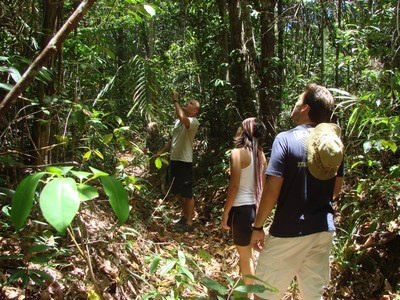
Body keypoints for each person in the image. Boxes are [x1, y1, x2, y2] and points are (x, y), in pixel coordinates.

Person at [251, 83, 345, 300]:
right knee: (312, 295)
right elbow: (336, 189)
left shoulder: (285, 139)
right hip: (323, 229)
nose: (294, 104)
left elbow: (272, 189)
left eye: (298, 100)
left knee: (264, 295)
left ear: (305, 108)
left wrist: (258, 226)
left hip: (288, 230)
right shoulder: (333, 142)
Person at [222, 118, 267, 288]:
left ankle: (251, 295)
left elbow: (234, 186)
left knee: (245, 257)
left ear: (244, 131)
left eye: (240, 126)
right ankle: (246, 289)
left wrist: (226, 214)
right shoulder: (260, 155)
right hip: (255, 210)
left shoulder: (237, 153)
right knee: (248, 255)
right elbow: (263, 187)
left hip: (240, 211)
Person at [159, 91, 200, 232]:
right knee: (176, 191)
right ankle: (185, 215)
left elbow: (183, 118)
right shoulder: (178, 121)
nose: (187, 104)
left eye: (191, 104)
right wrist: (161, 151)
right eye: (188, 102)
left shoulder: (193, 122)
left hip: (185, 161)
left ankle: (189, 222)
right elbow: (173, 140)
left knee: (187, 193)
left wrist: (175, 101)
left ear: (195, 111)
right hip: (174, 159)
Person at [144, 122, 168, 194]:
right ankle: (161, 189)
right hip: (160, 157)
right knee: (162, 173)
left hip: (155, 157)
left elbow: (147, 149)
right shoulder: (161, 137)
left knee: (155, 173)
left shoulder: (151, 138)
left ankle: (155, 189)